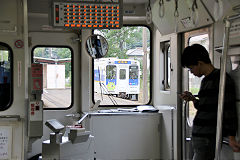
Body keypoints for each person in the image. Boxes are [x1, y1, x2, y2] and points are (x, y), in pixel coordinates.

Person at [180, 44, 240, 160]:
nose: (191, 72)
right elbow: (206, 107)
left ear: (200, 63)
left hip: (207, 137)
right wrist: (193, 99)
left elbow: (228, 108)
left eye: (191, 68)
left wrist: (231, 137)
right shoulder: (206, 81)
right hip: (197, 134)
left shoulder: (222, 80)